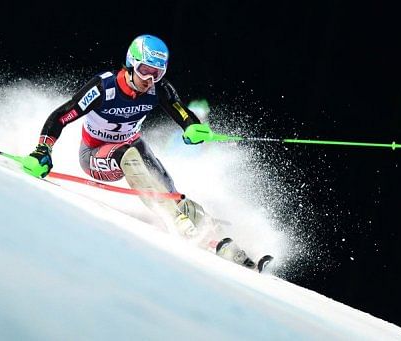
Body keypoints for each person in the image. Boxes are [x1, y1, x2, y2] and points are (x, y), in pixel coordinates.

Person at [22, 34, 259, 270]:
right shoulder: (104, 87)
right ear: (131, 63)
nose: (149, 79)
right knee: (130, 156)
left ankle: (217, 239)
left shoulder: (159, 89)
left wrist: (193, 128)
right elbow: (62, 115)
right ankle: (175, 219)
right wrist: (43, 150)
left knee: (171, 192)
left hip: (134, 146)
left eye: (157, 73)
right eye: (145, 70)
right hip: (95, 155)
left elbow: (181, 112)